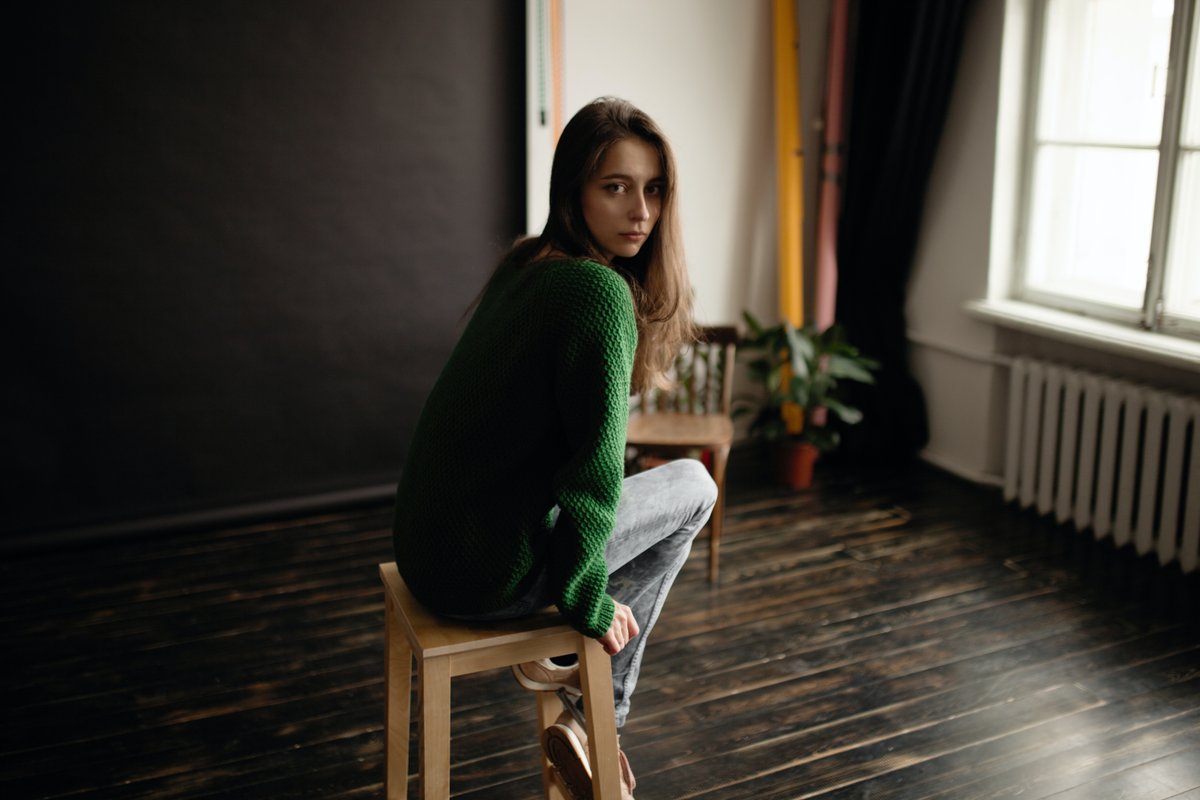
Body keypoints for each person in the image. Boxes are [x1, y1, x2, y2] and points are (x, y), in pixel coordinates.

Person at [392, 97, 717, 799]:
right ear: (574, 190)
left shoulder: (527, 264)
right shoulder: (595, 291)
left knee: (663, 485)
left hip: (432, 552)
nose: (641, 211)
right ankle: (594, 718)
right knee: (695, 486)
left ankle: (573, 678)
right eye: (615, 186)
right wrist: (588, 601)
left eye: (654, 188)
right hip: (486, 574)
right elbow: (595, 478)